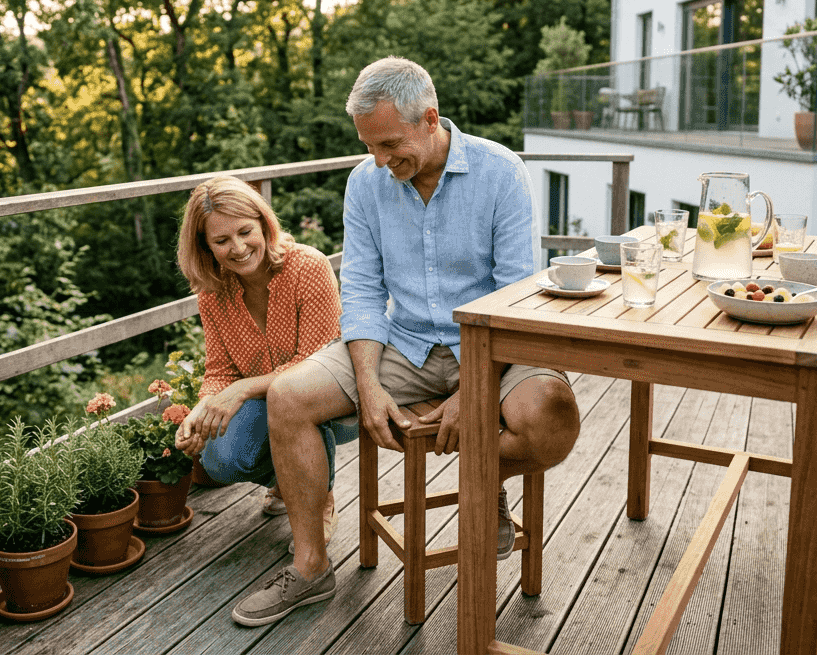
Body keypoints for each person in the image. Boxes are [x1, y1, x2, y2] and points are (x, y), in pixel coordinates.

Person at [230, 57, 581, 627]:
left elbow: (514, 296)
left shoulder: (501, 172)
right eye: (369, 146)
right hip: (404, 342)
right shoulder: (365, 183)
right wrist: (368, 386)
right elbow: (362, 291)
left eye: (390, 144)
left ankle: (485, 479)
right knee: (288, 397)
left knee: (553, 417)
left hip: (493, 344)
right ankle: (311, 568)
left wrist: (474, 392)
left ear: (430, 119)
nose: (379, 160)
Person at [172, 175, 353, 544]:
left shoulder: (307, 266)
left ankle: (320, 500)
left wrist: (242, 389)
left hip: (333, 399)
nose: (238, 248)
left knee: (298, 399)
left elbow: (317, 362)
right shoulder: (213, 293)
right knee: (218, 459)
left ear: (264, 224)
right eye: (221, 240)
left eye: (245, 232)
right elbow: (220, 369)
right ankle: (290, 480)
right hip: (267, 403)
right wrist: (201, 410)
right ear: (205, 245)